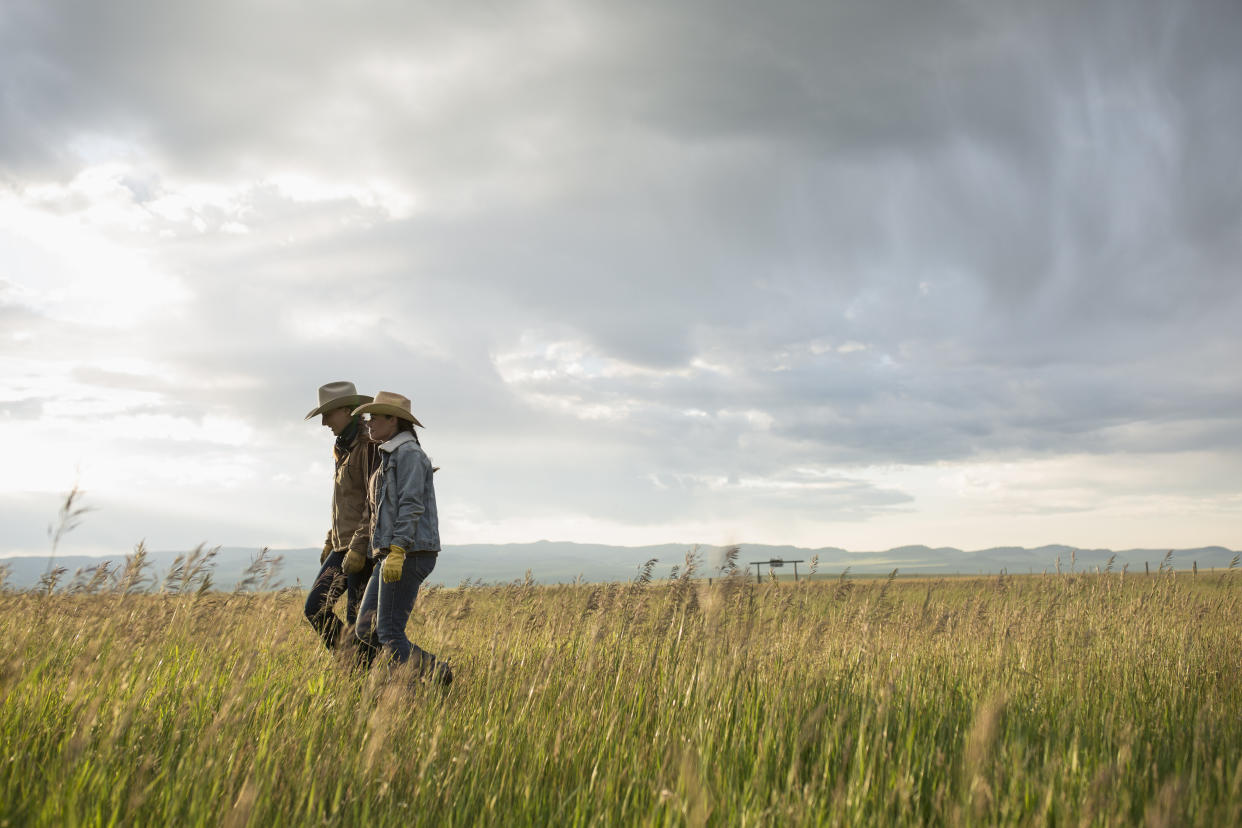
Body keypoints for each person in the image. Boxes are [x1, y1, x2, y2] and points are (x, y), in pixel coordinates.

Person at [347, 391, 450, 684]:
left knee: (389, 631)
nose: (368, 423)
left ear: (393, 420)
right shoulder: (392, 454)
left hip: (408, 552)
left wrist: (398, 549)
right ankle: (434, 671)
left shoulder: (409, 455)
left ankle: (409, 691)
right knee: (366, 629)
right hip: (391, 553)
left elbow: (411, 505)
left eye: (374, 417)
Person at [303, 381, 378, 650]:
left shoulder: (369, 446)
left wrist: (358, 548)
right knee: (315, 608)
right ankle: (354, 667)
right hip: (342, 544)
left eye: (328, 414)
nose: (324, 422)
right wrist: (329, 539)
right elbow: (345, 502)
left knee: (361, 624)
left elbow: (374, 503)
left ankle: (368, 678)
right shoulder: (342, 447)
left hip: (363, 548)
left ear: (347, 410)